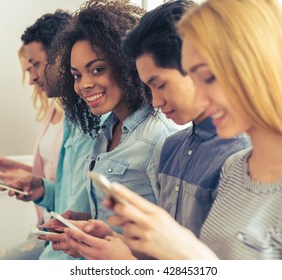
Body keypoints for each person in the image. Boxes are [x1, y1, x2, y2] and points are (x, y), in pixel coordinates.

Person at [103, 0, 282, 260]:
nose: (201, 99)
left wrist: (185, 254)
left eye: (209, 77)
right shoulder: (236, 168)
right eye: (194, 78)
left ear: (258, 65)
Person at [63, 0, 249, 260]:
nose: (156, 101)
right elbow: (165, 248)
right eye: (76, 75)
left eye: (160, 85)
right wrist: (109, 237)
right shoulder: (174, 146)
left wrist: (126, 262)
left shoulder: (239, 158)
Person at [38, 0, 179, 257]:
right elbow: (117, 221)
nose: (84, 85)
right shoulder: (106, 132)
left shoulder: (160, 137)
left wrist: (93, 245)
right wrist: (84, 223)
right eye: (77, 75)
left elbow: (173, 245)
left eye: (97, 69)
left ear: (126, 65)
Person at [0, 11, 72, 259]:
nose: (31, 79)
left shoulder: (82, 120)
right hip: (48, 222)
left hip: (62, 230)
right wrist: (16, 169)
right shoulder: (53, 111)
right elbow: (56, 172)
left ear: (59, 57)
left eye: (35, 65)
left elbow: (72, 191)